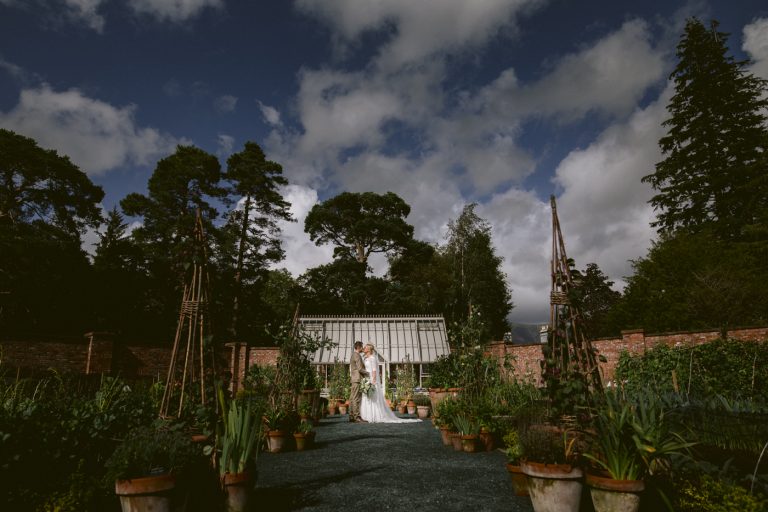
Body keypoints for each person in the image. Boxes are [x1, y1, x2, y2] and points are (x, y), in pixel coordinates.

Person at [360, 343, 420, 424]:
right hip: (367, 379)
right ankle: (366, 416)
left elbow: (374, 370)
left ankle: (374, 416)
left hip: (371, 380)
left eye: (366, 347)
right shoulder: (365, 358)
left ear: (369, 350)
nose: (364, 348)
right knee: (367, 397)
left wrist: (373, 380)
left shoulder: (373, 358)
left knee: (373, 398)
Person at [348, 341, 369, 423]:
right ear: (359, 347)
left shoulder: (353, 355)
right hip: (357, 379)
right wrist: (368, 373)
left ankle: (351, 416)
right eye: (362, 347)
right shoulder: (357, 355)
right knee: (356, 398)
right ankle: (357, 417)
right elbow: (360, 368)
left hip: (354, 379)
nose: (362, 348)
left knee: (352, 398)